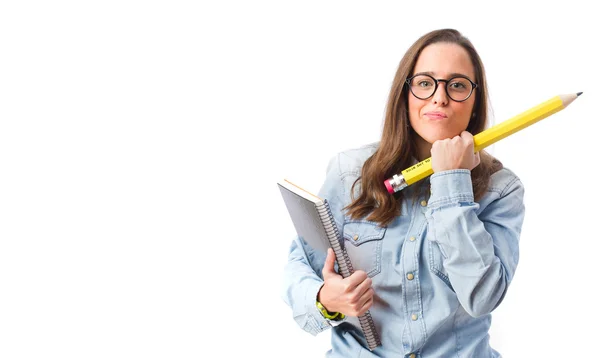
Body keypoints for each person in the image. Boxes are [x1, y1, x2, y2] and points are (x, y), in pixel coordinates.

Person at [281, 28, 525, 357]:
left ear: (474, 101)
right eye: (425, 83)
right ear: (405, 93)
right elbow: (302, 262)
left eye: (457, 85)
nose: (440, 97)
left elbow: (481, 297)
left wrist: (451, 181)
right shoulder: (349, 171)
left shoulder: (501, 189)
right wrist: (325, 298)